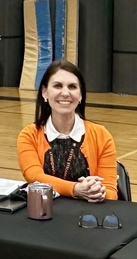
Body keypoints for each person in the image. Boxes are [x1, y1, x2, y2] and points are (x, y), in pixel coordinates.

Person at [18, 61, 117, 201]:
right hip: (44, 214)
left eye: (72, 87)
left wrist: (99, 192)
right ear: (44, 92)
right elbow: (34, 177)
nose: (65, 93)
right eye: (57, 86)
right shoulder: (29, 135)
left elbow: (111, 192)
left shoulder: (101, 135)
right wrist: (75, 189)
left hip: (88, 216)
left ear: (81, 95)